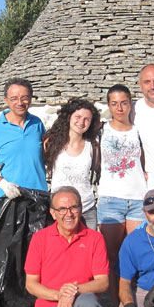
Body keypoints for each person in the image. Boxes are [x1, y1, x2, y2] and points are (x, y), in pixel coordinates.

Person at [0, 78, 46, 307]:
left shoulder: (37, 124)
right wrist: (2, 183)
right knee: (4, 260)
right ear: (6, 100)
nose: (20, 102)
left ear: (31, 98)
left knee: (32, 258)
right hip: (8, 201)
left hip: (36, 200)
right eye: (15, 98)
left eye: (25, 97)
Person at [21, 186, 109, 307]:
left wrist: (73, 291)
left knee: (89, 304)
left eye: (73, 208)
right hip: (49, 306)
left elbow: (103, 282)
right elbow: (31, 284)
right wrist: (59, 295)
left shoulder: (95, 238)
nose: (68, 214)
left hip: (80, 302)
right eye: (62, 209)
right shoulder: (40, 239)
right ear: (53, 213)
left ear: (81, 209)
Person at [97, 84, 147, 307]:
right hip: (110, 199)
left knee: (136, 252)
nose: (119, 108)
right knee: (112, 255)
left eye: (124, 102)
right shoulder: (100, 130)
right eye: (114, 103)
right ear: (108, 105)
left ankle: (137, 301)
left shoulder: (140, 130)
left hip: (138, 198)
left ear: (130, 104)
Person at [43, 98, 101, 229]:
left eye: (87, 119)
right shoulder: (51, 143)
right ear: (69, 117)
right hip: (60, 210)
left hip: (86, 208)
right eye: (78, 117)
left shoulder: (93, 146)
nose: (81, 122)